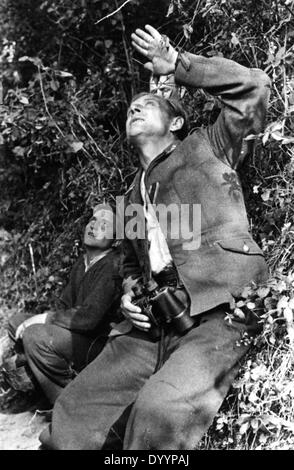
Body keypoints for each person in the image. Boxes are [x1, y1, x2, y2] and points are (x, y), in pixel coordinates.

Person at [39, 24, 271, 449]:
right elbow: (129, 264)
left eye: (148, 104)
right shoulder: (129, 194)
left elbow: (255, 87)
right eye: (132, 107)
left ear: (177, 120)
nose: (135, 109)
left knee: (158, 412)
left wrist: (178, 64)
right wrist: (129, 294)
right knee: (74, 407)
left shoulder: (208, 146)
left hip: (222, 310)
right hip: (155, 323)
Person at [0, 205, 122, 405]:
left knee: (35, 336)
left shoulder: (112, 265)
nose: (94, 226)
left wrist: (46, 319)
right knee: (16, 322)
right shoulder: (82, 264)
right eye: (92, 220)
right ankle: (38, 388)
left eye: (104, 224)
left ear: (115, 240)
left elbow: (89, 319)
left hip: (99, 345)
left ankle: (67, 406)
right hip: (75, 336)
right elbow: (64, 306)